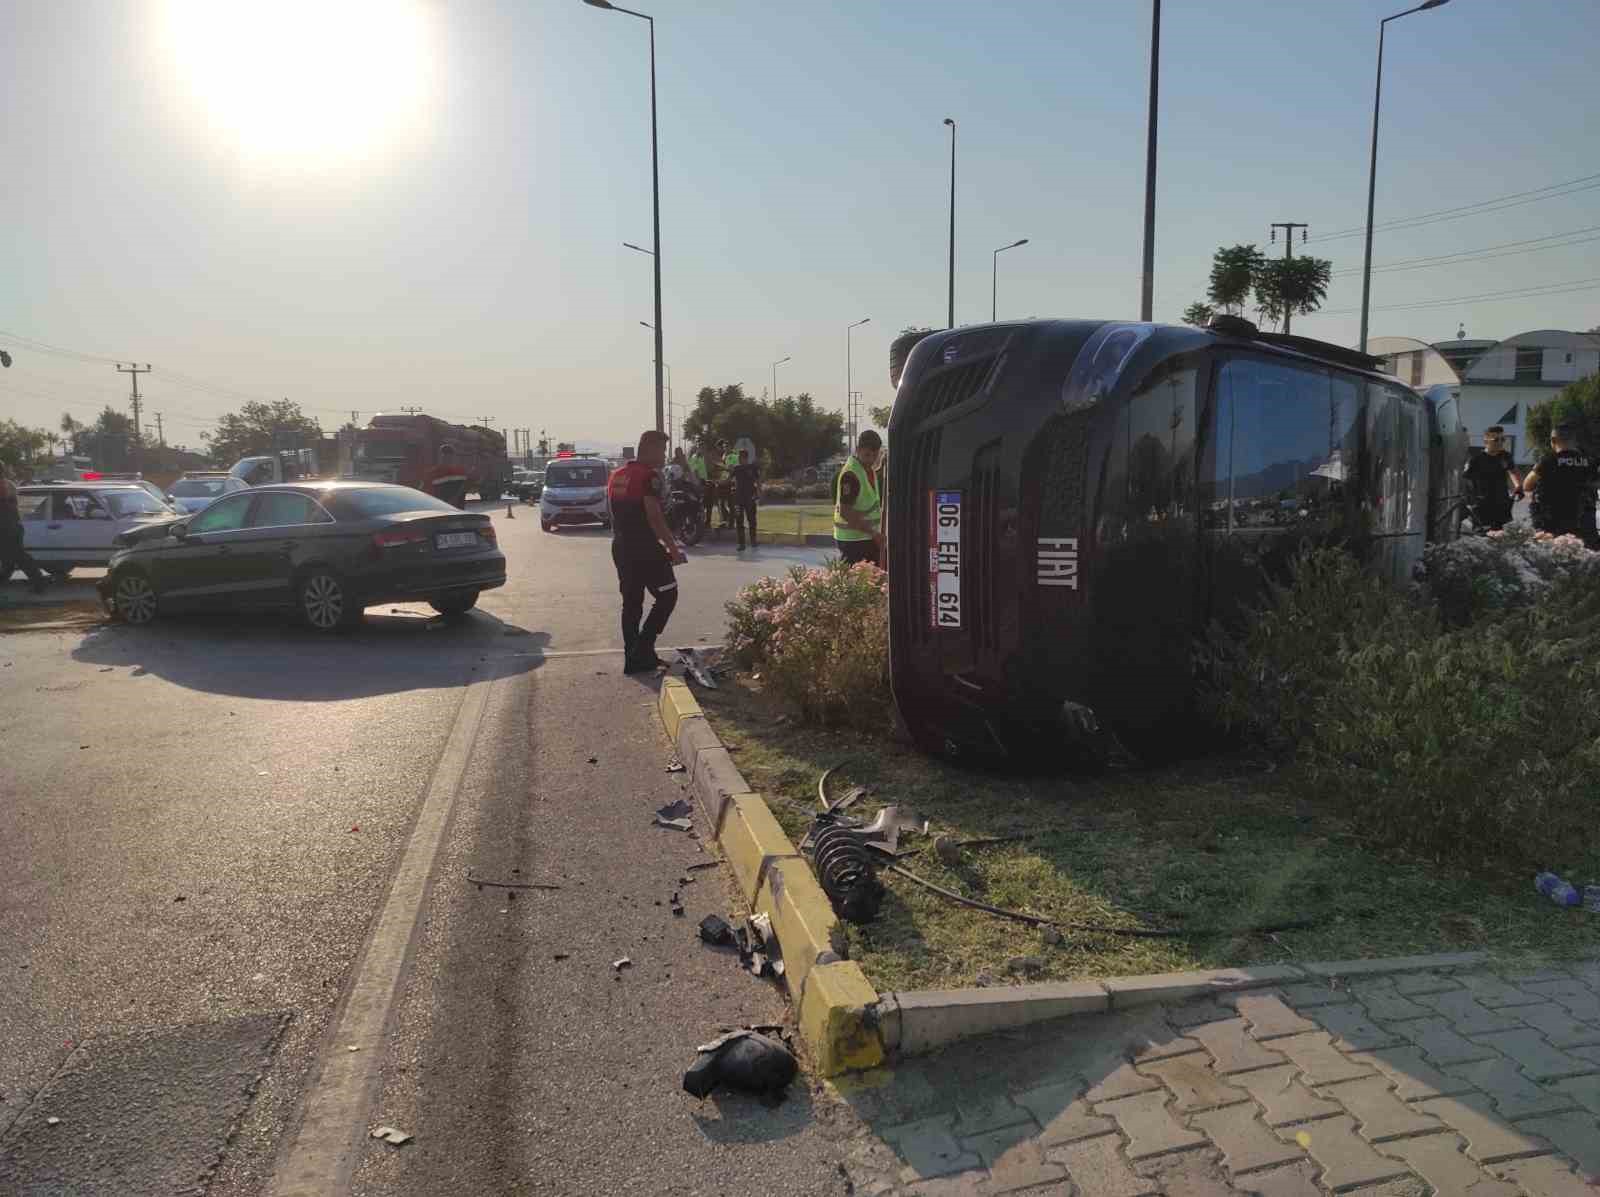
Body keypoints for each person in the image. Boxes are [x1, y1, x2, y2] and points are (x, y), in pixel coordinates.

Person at [608, 429, 687, 673]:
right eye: (662, 450)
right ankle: (644, 648)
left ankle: (633, 659)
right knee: (668, 595)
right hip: (645, 549)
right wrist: (673, 550)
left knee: (632, 603)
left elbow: (613, 514)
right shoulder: (648, 477)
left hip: (621, 547)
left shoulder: (617, 475)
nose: (664, 456)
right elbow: (654, 516)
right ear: (650, 448)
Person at [1523, 423, 1597, 543]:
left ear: (1553, 440)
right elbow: (1594, 484)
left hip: (1551, 519)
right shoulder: (1589, 461)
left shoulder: (1548, 460)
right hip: (1580, 518)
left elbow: (1527, 485)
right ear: (1574, 440)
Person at [833, 429, 885, 566]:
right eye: (867, 453)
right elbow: (846, 512)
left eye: (875, 453)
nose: (872, 457)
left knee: (873, 581)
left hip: (865, 538)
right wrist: (873, 533)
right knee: (860, 584)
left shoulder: (868, 470)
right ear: (858, 450)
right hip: (853, 541)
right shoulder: (851, 475)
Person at [0, 461, 48, 593]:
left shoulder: (4, 485)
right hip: (12, 526)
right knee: (10, 558)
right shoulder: (9, 483)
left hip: (6, 528)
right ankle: (38, 582)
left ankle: (39, 583)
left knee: (18, 557)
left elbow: (5, 503)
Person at [1461, 425, 1520, 531]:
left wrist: (1518, 486)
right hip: (1481, 506)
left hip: (1501, 504)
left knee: (1499, 537)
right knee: (1481, 536)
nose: (1500, 442)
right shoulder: (1476, 459)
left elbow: (1512, 471)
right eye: (1496, 440)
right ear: (1486, 440)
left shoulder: (1506, 456)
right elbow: (1464, 480)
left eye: (1503, 439)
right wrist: (1470, 501)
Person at [731, 448, 761, 552]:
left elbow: (758, 480)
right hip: (738, 498)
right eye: (739, 457)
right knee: (739, 521)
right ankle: (741, 543)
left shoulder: (753, 468)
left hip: (750, 497)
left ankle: (753, 541)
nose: (739, 459)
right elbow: (729, 479)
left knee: (752, 520)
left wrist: (759, 493)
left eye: (741, 457)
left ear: (745, 458)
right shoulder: (736, 468)